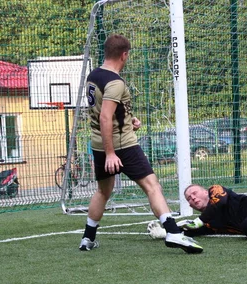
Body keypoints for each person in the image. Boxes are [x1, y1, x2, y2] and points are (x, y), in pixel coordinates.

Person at [79, 34, 203, 254]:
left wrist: (129, 120)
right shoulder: (115, 82)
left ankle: (87, 238)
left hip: (99, 143)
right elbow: (105, 117)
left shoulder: (94, 75)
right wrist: (111, 153)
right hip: (121, 146)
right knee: (152, 186)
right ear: (124, 55)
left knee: (102, 192)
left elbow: (105, 110)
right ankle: (173, 232)